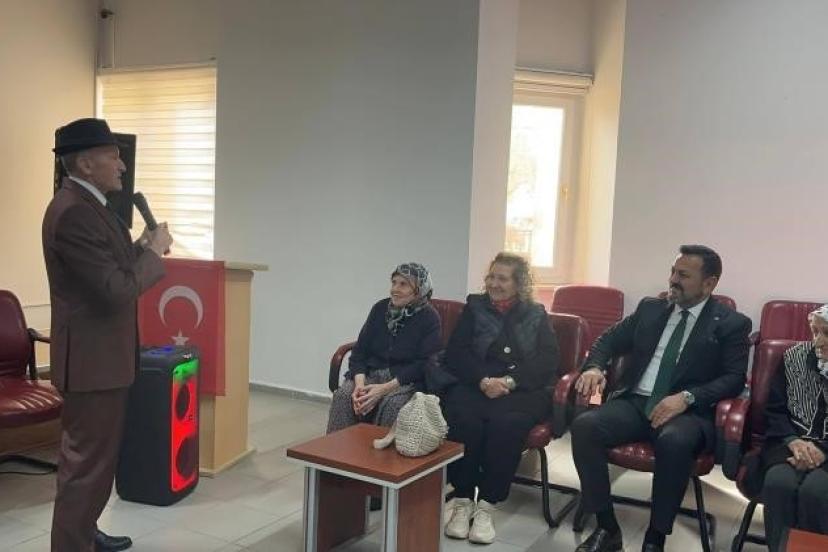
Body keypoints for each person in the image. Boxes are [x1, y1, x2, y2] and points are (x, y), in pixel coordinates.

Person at [44, 118, 173, 552]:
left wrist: (140, 246)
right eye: (113, 156)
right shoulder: (74, 212)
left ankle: (86, 534)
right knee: (85, 470)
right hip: (91, 365)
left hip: (104, 361)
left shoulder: (91, 205)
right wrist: (153, 253)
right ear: (85, 163)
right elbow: (114, 290)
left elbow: (110, 268)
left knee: (97, 466)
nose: (122, 165)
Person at [570, 245, 751, 552]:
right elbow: (607, 340)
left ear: (709, 283)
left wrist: (688, 397)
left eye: (684, 275)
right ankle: (606, 527)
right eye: (673, 272)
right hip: (636, 402)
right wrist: (595, 367)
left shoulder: (732, 324)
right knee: (585, 426)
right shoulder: (651, 308)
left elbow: (734, 379)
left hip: (686, 412)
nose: (673, 280)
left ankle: (655, 537)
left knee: (674, 442)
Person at [442, 252, 559, 545]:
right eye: (491, 277)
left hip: (521, 389)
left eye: (502, 279)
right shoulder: (474, 306)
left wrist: (509, 381)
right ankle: (463, 501)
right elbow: (456, 352)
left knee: (506, 426)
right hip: (477, 384)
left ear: (519, 283)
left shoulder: (536, 313)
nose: (494, 283)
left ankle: (487, 506)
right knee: (464, 420)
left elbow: (548, 361)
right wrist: (482, 380)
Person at [326, 262, 441, 433]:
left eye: (403, 284)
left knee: (392, 405)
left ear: (419, 290)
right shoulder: (380, 309)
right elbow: (359, 352)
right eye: (394, 282)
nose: (395, 289)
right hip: (370, 375)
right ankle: (337, 449)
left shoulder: (429, 318)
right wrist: (359, 386)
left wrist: (383, 389)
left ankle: (376, 450)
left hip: (404, 381)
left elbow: (424, 364)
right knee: (344, 396)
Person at [759, 305, 828, 552]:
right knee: (778, 483)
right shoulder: (794, 357)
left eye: (826, 333)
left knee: (816, 492)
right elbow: (775, 409)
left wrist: (822, 450)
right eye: (815, 331)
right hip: (790, 444)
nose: (818, 341)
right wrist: (792, 440)